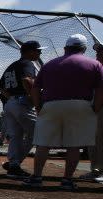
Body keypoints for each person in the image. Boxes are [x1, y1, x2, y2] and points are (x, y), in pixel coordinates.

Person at [24, 34, 103, 190]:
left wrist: (39, 107)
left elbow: (35, 88)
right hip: (81, 105)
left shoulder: (49, 64)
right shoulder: (94, 64)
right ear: (84, 49)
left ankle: (37, 177)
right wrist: (95, 108)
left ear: (65, 48)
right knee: (74, 145)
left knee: (43, 143)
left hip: (51, 104)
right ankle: (67, 180)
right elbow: (100, 89)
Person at [0, 40, 44, 178]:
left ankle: (13, 165)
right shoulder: (27, 63)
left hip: (11, 103)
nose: (40, 53)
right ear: (29, 51)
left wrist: (11, 96)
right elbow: (27, 80)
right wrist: (34, 99)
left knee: (15, 136)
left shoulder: (12, 65)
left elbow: (0, 86)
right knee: (37, 133)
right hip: (22, 103)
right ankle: (15, 163)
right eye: (37, 50)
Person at [80, 41, 103, 183]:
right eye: (97, 52)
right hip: (95, 108)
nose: (97, 54)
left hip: (100, 108)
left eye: (100, 52)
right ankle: (96, 170)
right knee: (93, 140)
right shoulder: (96, 69)